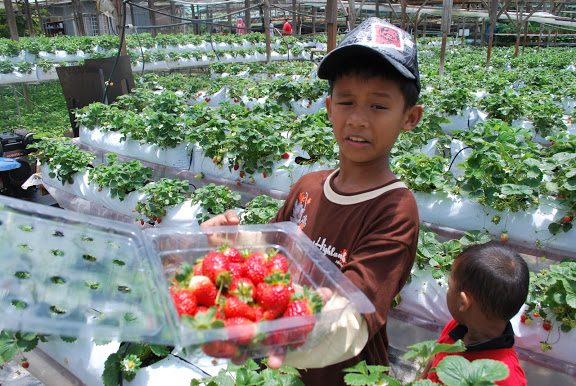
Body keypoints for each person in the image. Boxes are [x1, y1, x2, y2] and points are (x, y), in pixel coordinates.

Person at [202, 17, 423, 385]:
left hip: (342, 373)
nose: (357, 118)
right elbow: (278, 252)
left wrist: (303, 330)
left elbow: (355, 317)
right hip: (276, 368)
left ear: (410, 117)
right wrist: (238, 242)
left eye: (378, 106)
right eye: (346, 101)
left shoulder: (395, 209)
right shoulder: (308, 186)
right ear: (328, 108)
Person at [419, 243, 529, 385]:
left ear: (463, 302)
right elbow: (433, 362)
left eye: (450, 285)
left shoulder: (507, 378)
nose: (448, 289)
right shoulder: (455, 328)